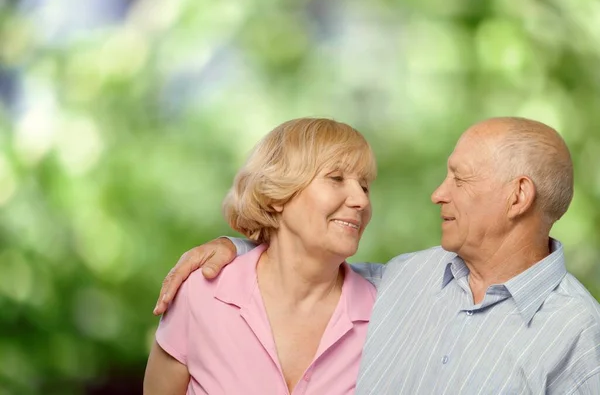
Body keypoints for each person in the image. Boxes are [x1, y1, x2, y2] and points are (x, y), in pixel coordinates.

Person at [153, 117, 600, 394]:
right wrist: (234, 246)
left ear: (519, 196)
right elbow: (301, 268)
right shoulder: (406, 279)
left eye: (459, 180)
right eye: (338, 179)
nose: (437, 194)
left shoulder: (579, 333)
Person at [143, 118, 379, 394]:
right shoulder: (201, 294)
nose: (361, 200)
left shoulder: (384, 314)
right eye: (336, 178)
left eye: (364, 186)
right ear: (277, 194)